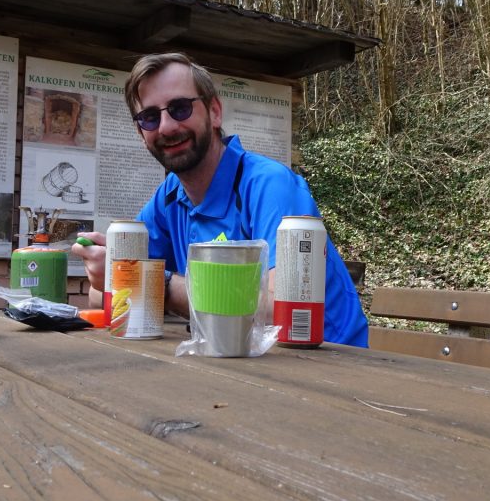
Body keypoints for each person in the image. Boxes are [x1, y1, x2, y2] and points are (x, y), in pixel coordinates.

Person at [72, 53, 368, 347]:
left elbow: (281, 308)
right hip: (239, 360)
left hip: (331, 366)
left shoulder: (269, 184)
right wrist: (110, 270)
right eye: (150, 118)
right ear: (141, 132)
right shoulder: (169, 197)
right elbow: (105, 295)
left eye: (180, 108)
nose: (166, 127)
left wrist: (154, 285)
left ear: (215, 112)